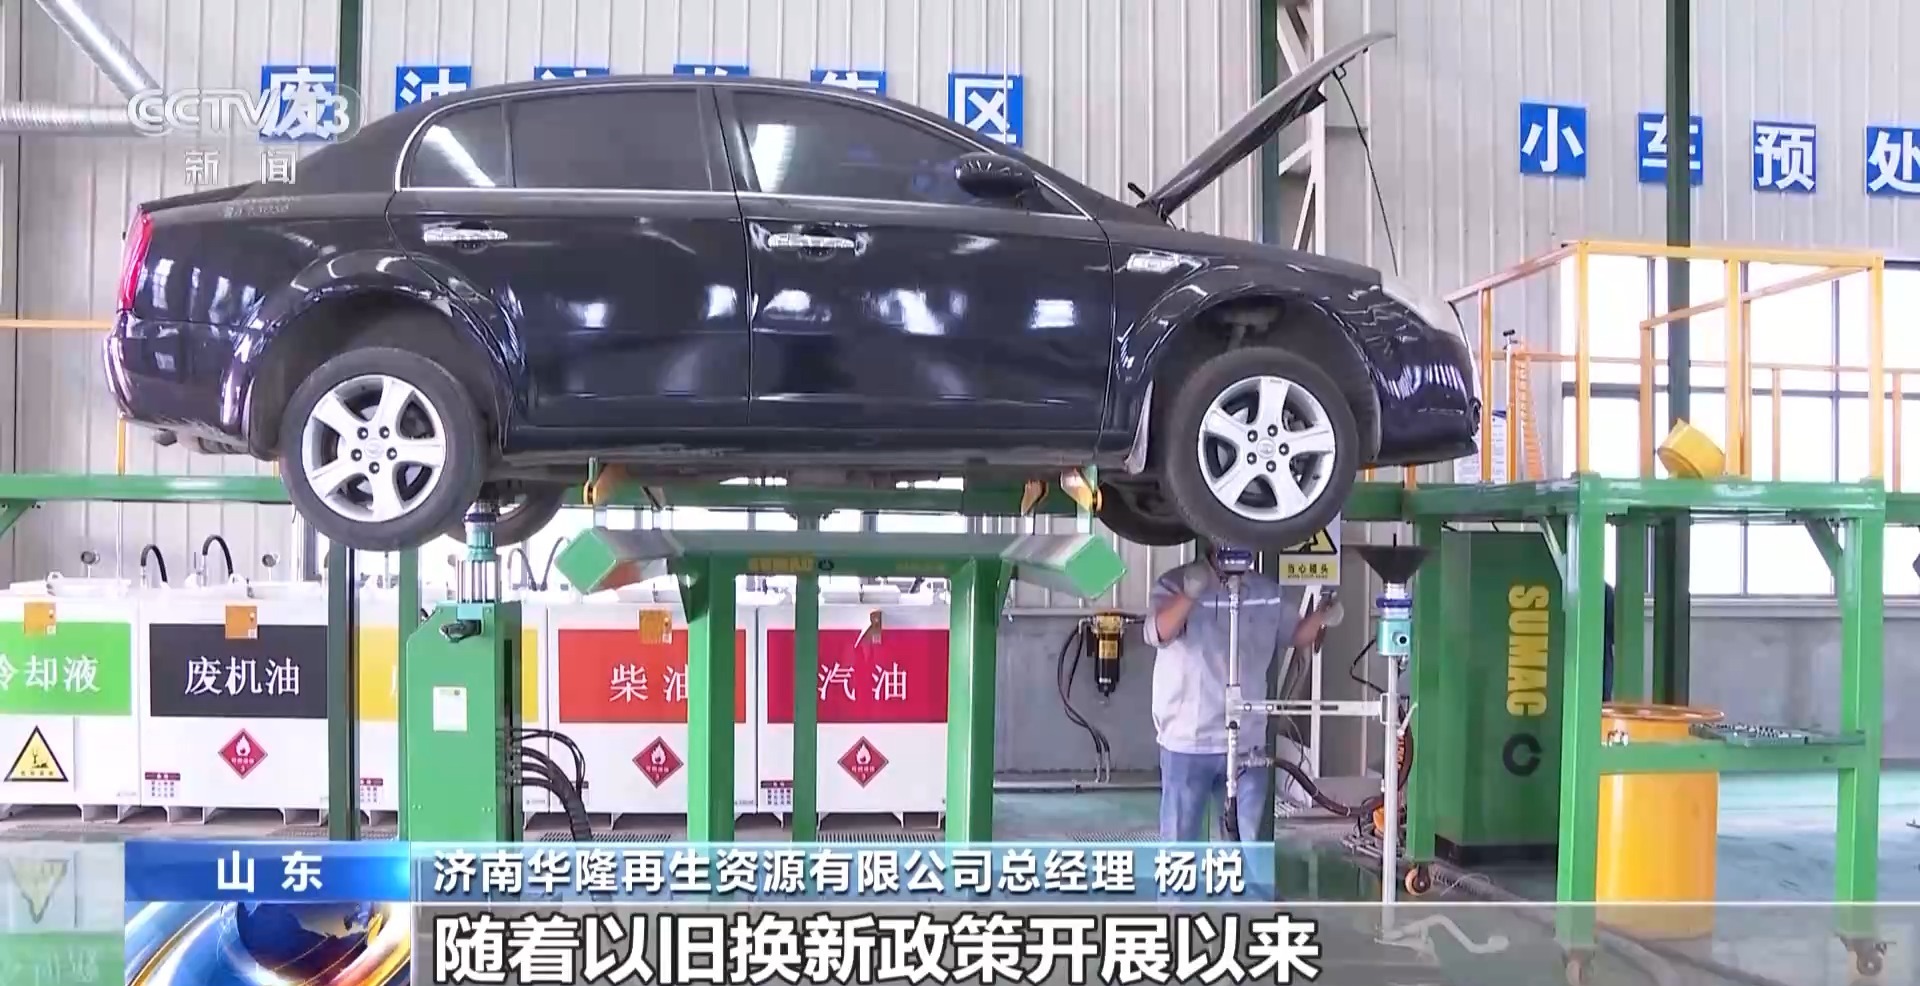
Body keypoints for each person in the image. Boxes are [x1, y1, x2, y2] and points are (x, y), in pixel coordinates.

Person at [1143, 545, 1340, 842]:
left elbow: (1295, 634)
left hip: (1248, 742)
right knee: (1180, 843)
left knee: (1245, 844)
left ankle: (1242, 875)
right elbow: (1158, 632)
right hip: (1189, 739)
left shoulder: (1267, 592)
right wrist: (1190, 593)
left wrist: (1322, 616)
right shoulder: (1175, 582)